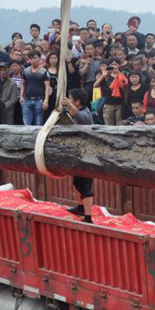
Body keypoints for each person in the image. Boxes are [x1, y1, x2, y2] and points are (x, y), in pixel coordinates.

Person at [60, 89, 95, 224]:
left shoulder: (86, 114)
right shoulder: (72, 113)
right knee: (77, 182)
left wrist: (68, 105)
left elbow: (78, 115)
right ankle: (80, 208)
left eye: (70, 98)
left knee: (86, 185)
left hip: (87, 154)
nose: (68, 100)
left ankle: (88, 217)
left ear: (77, 101)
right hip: (77, 153)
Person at [21, 51, 51, 126]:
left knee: (38, 123)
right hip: (27, 99)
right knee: (26, 123)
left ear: (40, 59)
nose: (33, 60)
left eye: (35, 58)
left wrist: (46, 100)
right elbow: (23, 84)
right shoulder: (25, 71)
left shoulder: (44, 71)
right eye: (31, 58)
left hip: (39, 100)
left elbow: (47, 86)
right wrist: (21, 96)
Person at [95, 61, 128, 126]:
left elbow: (124, 84)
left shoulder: (122, 75)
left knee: (119, 125)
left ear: (118, 65)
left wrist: (118, 72)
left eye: (115, 64)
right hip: (108, 104)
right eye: (112, 65)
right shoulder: (106, 76)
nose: (113, 66)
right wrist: (103, 75)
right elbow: (95, 85)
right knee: (108, 125)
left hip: (119, 104)